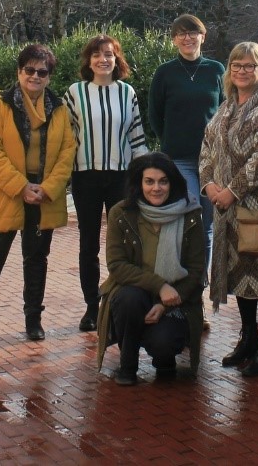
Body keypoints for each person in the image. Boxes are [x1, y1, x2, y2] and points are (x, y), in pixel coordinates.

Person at [0, 44, 77, 346]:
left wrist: (49, 188)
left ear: (49, 76)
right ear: (19, 71)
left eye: (42, 71)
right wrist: (20, 186)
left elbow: (68, 151)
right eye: (29, 70)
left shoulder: (59, 108)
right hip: (6, 193)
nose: (35, 76)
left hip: (43, 196)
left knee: (37, 259)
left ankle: (33, 320)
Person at [199, 41, 258, 378]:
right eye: (237, 65)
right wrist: (209, 185)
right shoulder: (226, 106)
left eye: (250, 65)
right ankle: (247, 338)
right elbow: (207, 146)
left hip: (257, 204)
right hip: (225, 207)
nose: (242, 71)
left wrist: (232, 191)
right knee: (240, 276)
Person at [96, 152, 205, 385]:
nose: (156, 188)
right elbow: (116, 265)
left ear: (172, 183)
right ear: (139, 183)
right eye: (149, 181)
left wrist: (164, 304)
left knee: (163, 343)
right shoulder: (121, 213)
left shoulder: (191, 214)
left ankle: (164, 356)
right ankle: (127, 364)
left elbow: (196, 271)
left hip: (176, 299)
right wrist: (160, 285)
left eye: (163, 181)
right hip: (135, 293)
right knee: (129, 299)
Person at [65, 34, 148, 333]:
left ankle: (118, 304)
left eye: (109, 54)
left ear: (117, 59)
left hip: (120, 176)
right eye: (97, 55)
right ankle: (91, 308)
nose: (104, 59)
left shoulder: (128, 93)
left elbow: (137, 138)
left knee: (123, 243)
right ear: (89, 61)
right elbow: (66, 138)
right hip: (85, 176)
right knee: (88, 244)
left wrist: (145, 178)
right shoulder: (74, 93)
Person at [148, 14, 223, 273]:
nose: (187, 38)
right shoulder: (165, 72)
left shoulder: (216, 70)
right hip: (179, 159)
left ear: (203, 36)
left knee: (208, 225)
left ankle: (199, 283)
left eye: (193, 33)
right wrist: (169, 139)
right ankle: (180, 276)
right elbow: (155, 114)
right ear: (174, 40)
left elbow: (226, 111)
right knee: (191, 216)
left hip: (213, 160)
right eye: (181, 33)